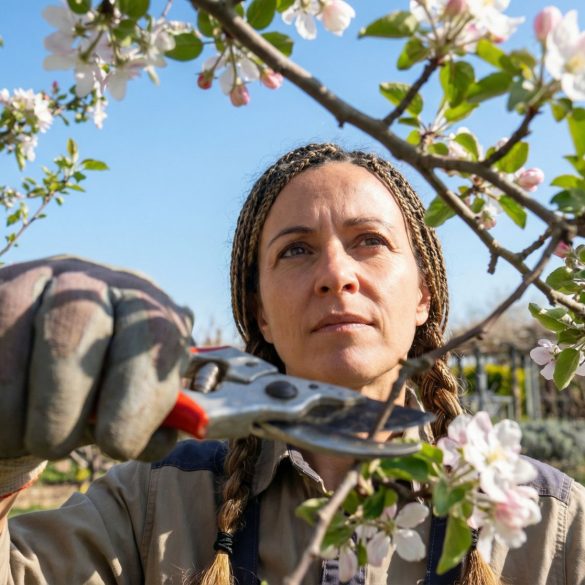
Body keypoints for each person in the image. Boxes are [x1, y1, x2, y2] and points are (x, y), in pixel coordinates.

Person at [0, 143, 583, 585]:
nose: (336, 274)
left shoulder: (552, 522)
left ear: (424, 296)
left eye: (370, 241)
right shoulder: (151, 504)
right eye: (296, 250)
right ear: (261, 314)